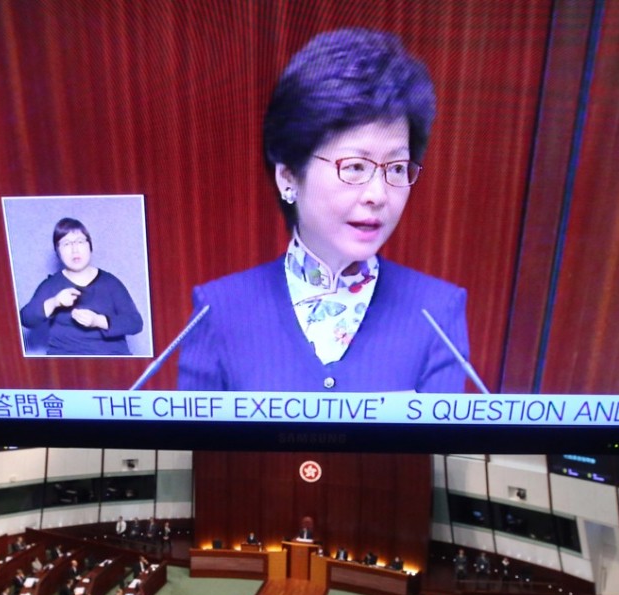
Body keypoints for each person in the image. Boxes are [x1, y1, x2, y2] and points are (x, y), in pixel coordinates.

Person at [178, 28, 469, 392]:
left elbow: (436, 449)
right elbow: (205, 449)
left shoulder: (437, 311)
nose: (378, 195)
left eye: (396, 169)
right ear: (289, 177)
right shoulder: (218, 310)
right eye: (354, 167)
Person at [20, 217, 143, 355]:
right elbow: (26, 318)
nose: (74, 250)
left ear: (90, 246)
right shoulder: (51, 285)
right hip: (66, 361)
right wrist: (54, 302)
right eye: (66, 244)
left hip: (111, 360)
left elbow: (135, 323)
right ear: (58, 252)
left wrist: (98, 321)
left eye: (80, 241)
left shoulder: (111, 283)